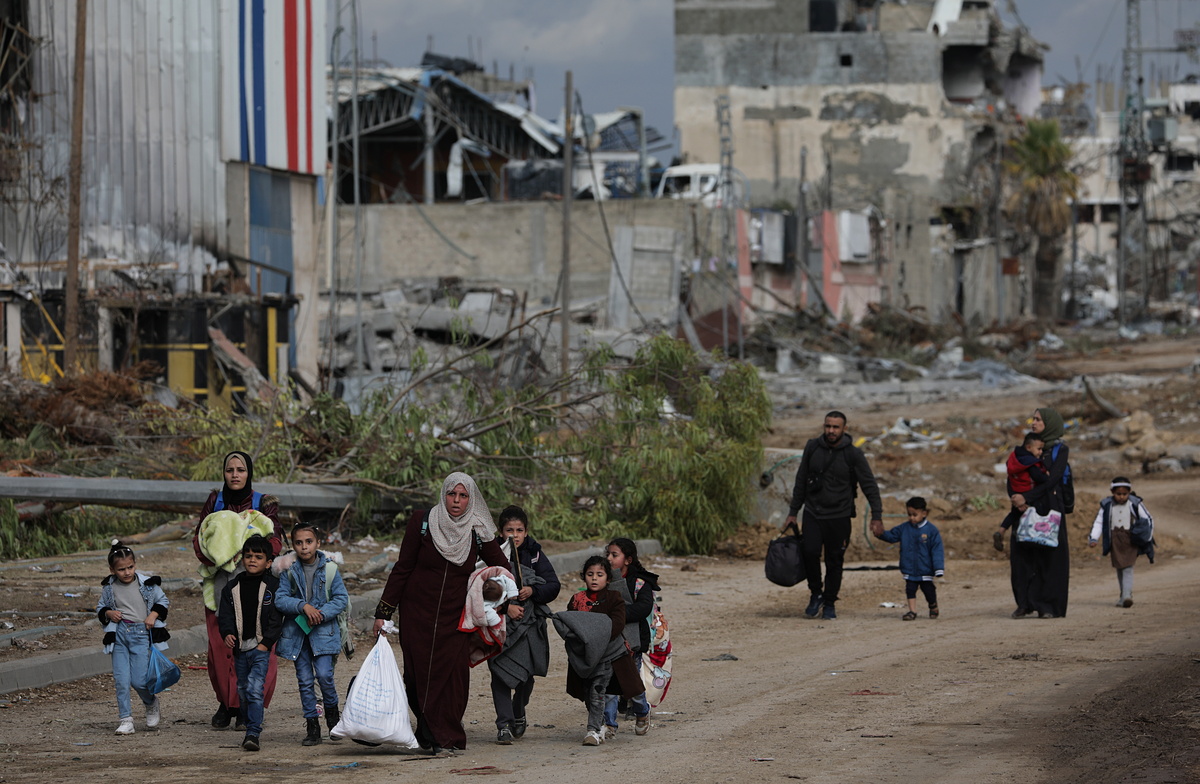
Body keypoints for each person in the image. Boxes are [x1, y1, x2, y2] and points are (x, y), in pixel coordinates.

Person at [371, 472, 510, 754]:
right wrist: (383, 612)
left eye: (463, 496)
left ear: (471, 499)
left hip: (456, 615)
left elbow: (502, 568)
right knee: (417, 675)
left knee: (451, 677)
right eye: (451, 494)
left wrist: (495, 597)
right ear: (443, 494)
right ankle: (428, 731)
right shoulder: (423, 522)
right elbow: (403, 567)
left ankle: (445, 736)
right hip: (416, 612)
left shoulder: (477, 530)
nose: (456, 501)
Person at [193, 450, 285, 730]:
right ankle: (227, 704)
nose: (235, 475)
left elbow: (275, 542)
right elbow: (200, 539)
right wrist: (221, 557)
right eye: (230, 469)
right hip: (221, 587)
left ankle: (250, 704)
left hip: (258, 590)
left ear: (249, 473)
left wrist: (248, 555)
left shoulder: (264, 503)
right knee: (222, 647)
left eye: (240, 470)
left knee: (258, 646)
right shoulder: (215, 500)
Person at [789, 410, 884, 620]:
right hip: (814, 512)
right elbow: (801, 480)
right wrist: (793, 512)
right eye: (827, 426)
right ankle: (816, 593)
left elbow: (870, 486)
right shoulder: (812, 447)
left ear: (844, 429)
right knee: (810, 553)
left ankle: (830, 602)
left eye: (835, 427)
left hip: (839, 516)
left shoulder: (853, 454)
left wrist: (876, 516)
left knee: (834, 560)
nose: (831, 431)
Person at [488, 505, 561, 745]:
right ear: (500, 532)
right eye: (509, 530)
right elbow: (480, 590)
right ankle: (504, 724)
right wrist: (504, 607)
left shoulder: (535, 554)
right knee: (499, 673)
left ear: (527, 532)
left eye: (519, 530)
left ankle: (518, 710)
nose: (514, 535)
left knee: (526, 676)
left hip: (529, 626)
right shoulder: (491, 556)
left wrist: (533, 590)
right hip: (500, 625)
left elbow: (553, 585)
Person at [275, 522, 350, 746]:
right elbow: (280, 598)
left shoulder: (330, 569)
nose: (304, 547)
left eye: (309, 542)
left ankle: (333, 719)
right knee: (305, 680)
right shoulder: (287, 570)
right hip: (298, 635)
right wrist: (302, 606)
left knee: (325, 675)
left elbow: (340, 599)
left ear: (318, 543)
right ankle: (312, 726)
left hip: (324, 632)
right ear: (293, 545)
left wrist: (322, 613)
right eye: (298, 543)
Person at [560, 555, 644, 747]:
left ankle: (593, 730)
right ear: (584, 577)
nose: (594, 578)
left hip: (608, 654)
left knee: (599, 689)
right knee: (588, 692)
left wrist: (597, 640)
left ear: (608, 578)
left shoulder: (614, 598)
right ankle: (602, 723)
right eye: (590, 574)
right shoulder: (577, 600)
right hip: (584, 657)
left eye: (599, 574)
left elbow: (617, 624)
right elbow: (570, 624)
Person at [96, 540, 171, 735]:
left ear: (135, 565)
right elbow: (101, 607)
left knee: (139, 681)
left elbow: (162, 600)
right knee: (121, 679)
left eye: (130, 567)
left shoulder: (147, 584)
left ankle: (151, 702)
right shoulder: (109, 588)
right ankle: (126, 719)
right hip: (119, 635)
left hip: (141, 635)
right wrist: (109, 613)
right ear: (112, 570)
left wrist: (153, 615)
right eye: (121, 569)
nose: (127, 572)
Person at [217, 535, 283, 752]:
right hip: (240, 649)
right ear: (241, 559)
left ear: (269, 562)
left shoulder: (273, 586)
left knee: (255, 688)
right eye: (248, 556)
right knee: (243, 689)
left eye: (258, 556)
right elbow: (225, 615)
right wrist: (227, 633)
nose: (252, 560)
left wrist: (266, 643)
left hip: (261, 648)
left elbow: (276, 617)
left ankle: (253, 732)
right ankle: (247, 719)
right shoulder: (232, 587)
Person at [1007, 407, 1073, 619]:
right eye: (1033, 419)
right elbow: (1013, 475)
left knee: (1050, 558)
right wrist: (1017, 498)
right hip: (1024, 509)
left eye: (1038, 419)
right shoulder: (1026, 448)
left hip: (1049, 507)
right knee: (1021, 558)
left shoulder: (1059, 451)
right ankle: (1024, 603)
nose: (1033, 422)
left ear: (1050, 424)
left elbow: (1053, 479)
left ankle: (1048, 606)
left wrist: (1028, 497)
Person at [603, 537, 656, 739]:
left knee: (631, 684)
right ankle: (609, 723)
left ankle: (642, 712)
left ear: (628, 560)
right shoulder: (603, 580)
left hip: (632, 643)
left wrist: (618, 613)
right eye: (607, 554)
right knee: (609, 684)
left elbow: (643, 608)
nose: (609, 558)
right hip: (609, 641)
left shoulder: (640, 583)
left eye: (614, 555)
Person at [873, 498, 945, 620]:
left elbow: (937, 550)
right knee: (910, 589)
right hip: (909, 568)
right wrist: (880, 533)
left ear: (924, 513)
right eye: (909, 515)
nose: (912, 518)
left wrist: (938, 568)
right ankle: (912, 611)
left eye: (915, 515)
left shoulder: (931, 531)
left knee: (928, 590)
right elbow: (891, 536)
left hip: (925, 569)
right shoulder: (904, 528)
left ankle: (933, 605)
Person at [1088, 477, 1155, 608]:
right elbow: (1099, 522)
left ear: (1129, 492)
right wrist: (1094, 538)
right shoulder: (1107, 505)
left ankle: (1127, 595)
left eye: (1124, 494)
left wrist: (1147, 536)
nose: (1121, 497)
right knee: (1119, 567)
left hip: (1130, 539)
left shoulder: (1135, 504)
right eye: (1118, 494)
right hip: (1115, 540)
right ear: (1112, 492)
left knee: (1128, 567)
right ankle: (1123, 595)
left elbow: (1147, 518)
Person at [994, 433, 1047, 550]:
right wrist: (1047, 476)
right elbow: (1038, 478)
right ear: (1029, 447)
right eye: (1039, 449)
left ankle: (1001, 531)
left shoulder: (1015, 457)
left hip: (1015, 491)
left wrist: (1013, 496)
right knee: (1030, 516)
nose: (1040, 452)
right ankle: (1020, 535)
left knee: (1013, 514)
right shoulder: (1030, 463)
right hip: (1027, 493)